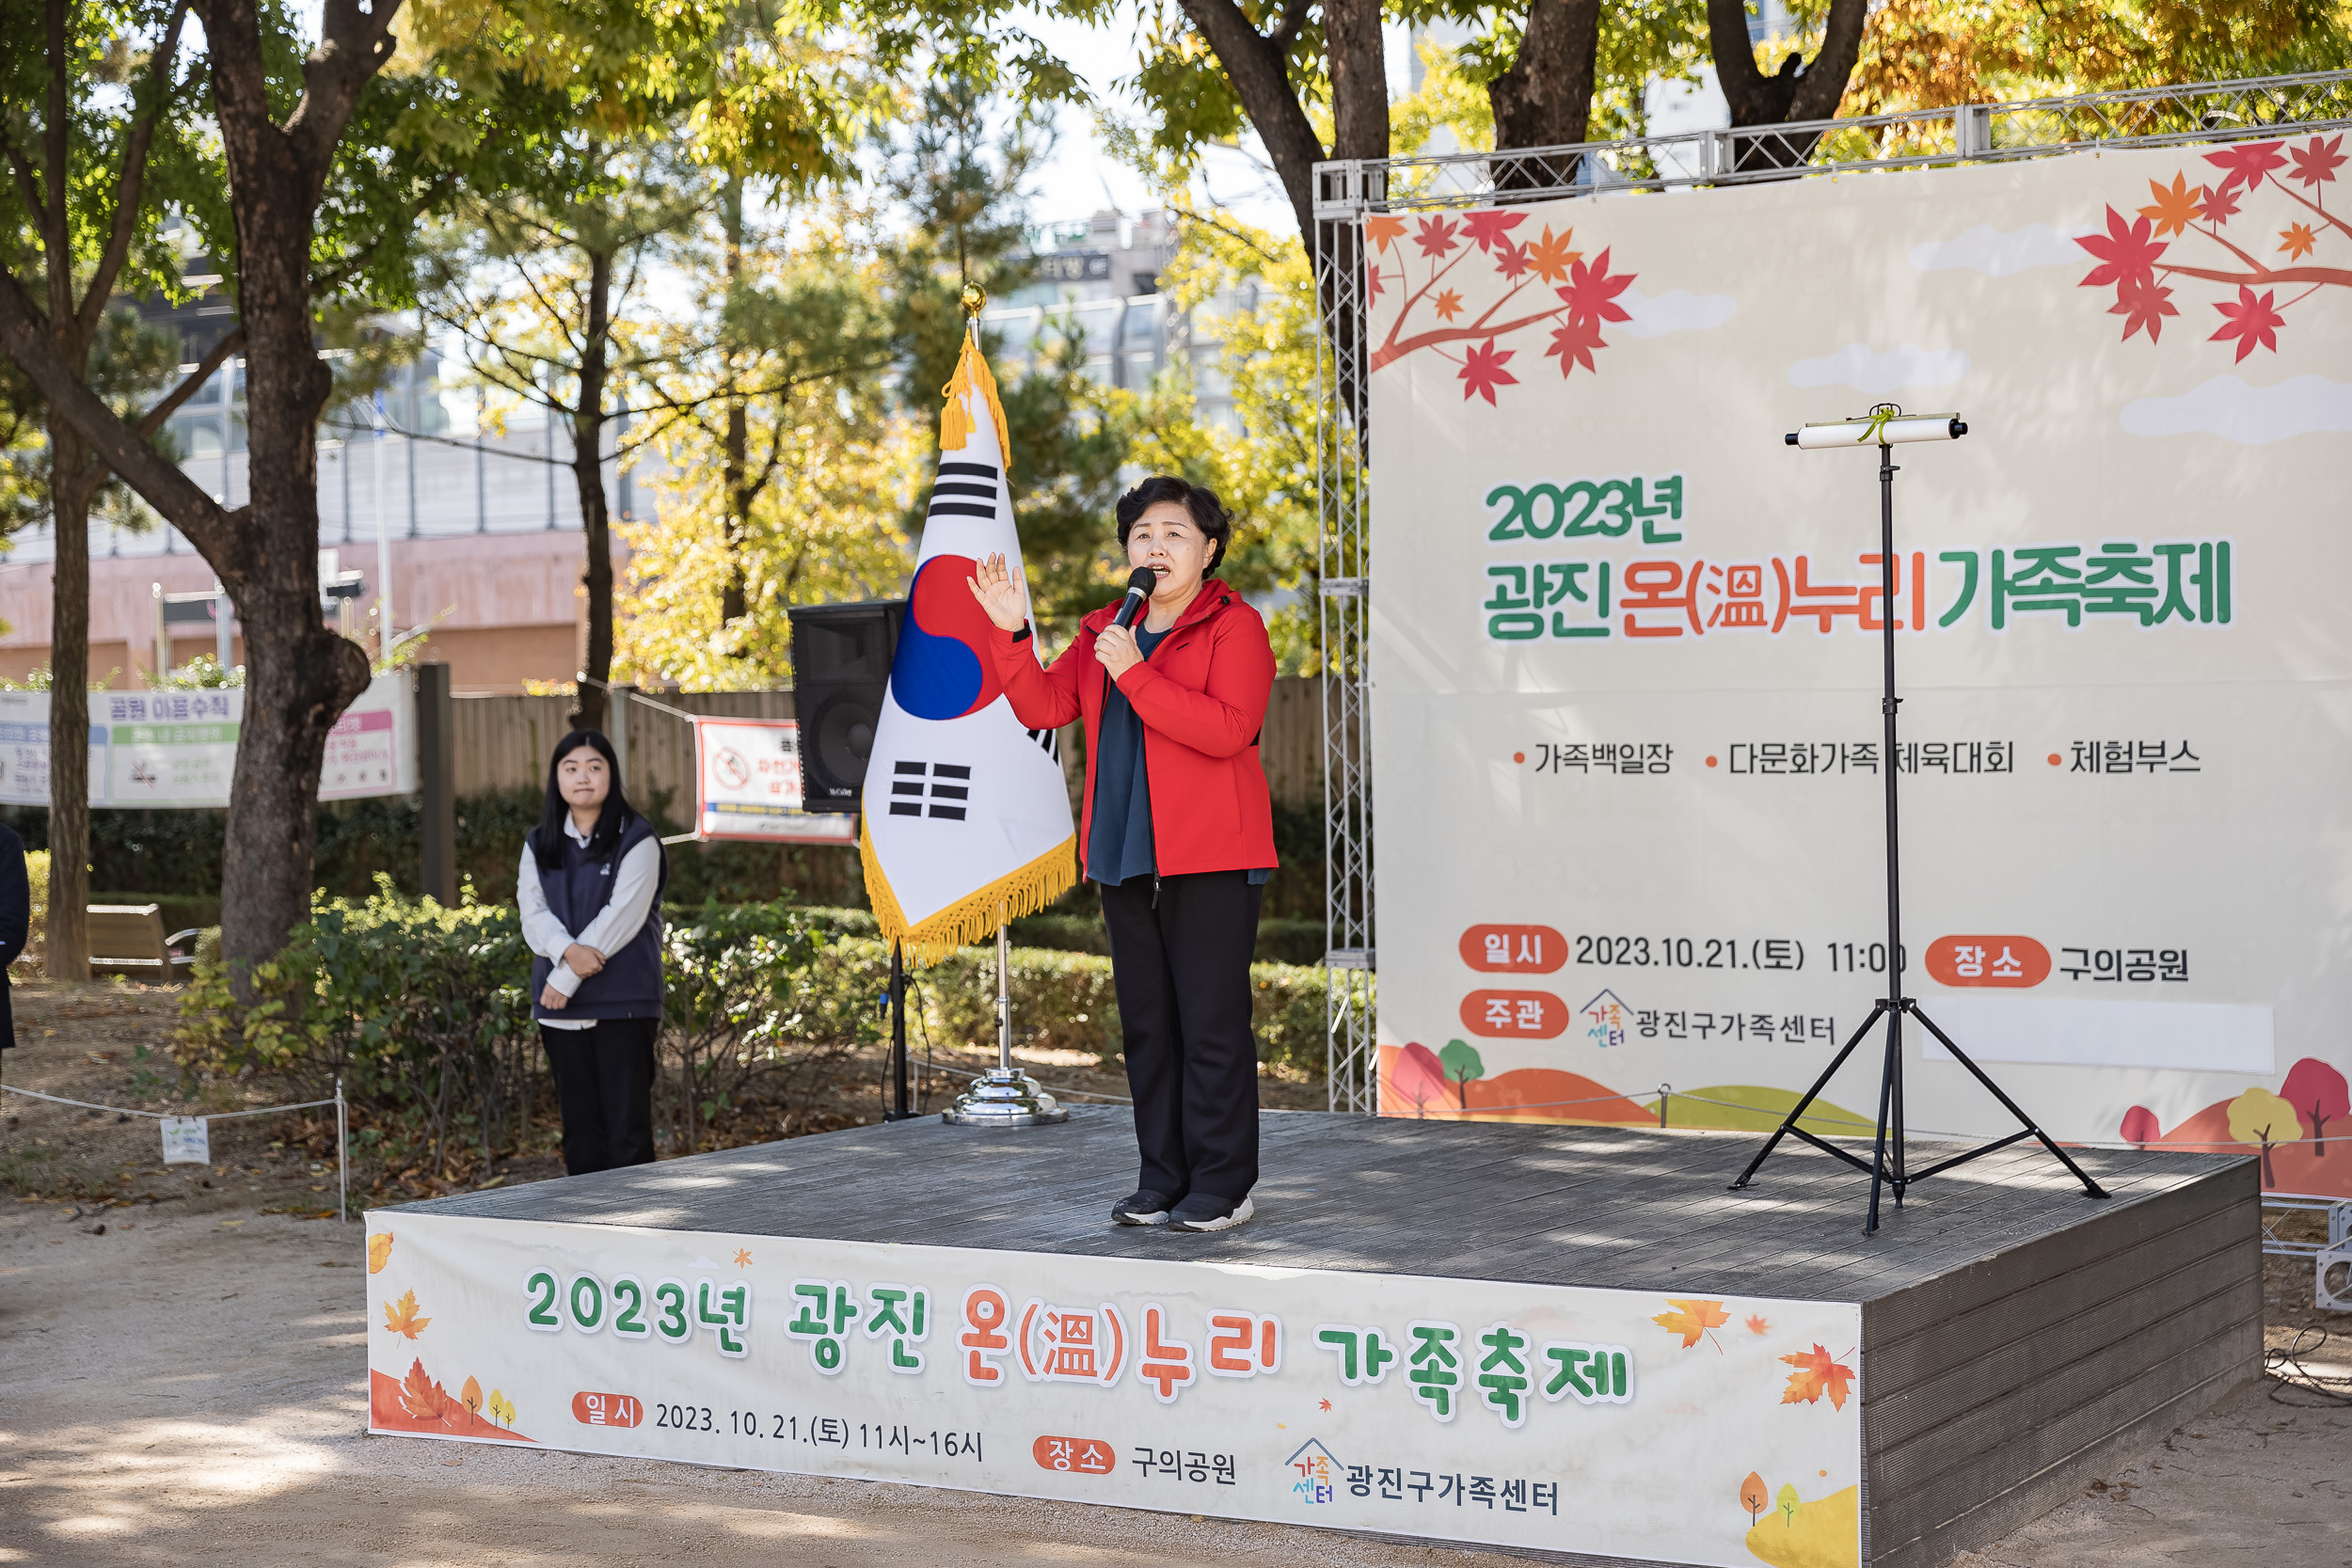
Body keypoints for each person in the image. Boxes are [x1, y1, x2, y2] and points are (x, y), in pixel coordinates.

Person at [970, 475, 1277, 1233]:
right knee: (1148, 1025)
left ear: (1209, 548)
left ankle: (1223, 1183)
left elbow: (1229, 729)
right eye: (1143, 534)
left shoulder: (1236, 628)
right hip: (1123, 851)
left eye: (1175, 533)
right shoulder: (1106, 628)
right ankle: (1161, 1178)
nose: (1157, 546)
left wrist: (1134, 673)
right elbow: (1045, 707)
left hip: (1210, 852)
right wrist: (1013, 632)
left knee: (1210, 1023)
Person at [518, 730, 668, 1177]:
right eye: (571, 768)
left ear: (611, 774)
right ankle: (586, 1231)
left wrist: (563, 977)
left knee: (628, 1130)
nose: (582, 777)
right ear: (557, 778)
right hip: (557, 1010)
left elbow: (623, 915)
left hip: (624, 1002)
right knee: (579, 1129)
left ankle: (637, 1232)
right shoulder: (539, 842)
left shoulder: (639, 838)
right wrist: (567, 952)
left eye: (594, 767)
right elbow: (533, 912)